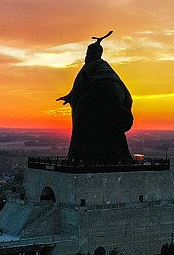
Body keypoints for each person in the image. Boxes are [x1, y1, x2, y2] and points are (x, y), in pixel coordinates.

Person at [57, 32, 134, 163]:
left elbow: (110, 79)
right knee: (82, 132)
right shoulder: (88, 66)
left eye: (91, 52)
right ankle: (80, 156)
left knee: (95, 132)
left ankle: (91, 157)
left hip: (94, 109)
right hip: (83, 108)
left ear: (98, 54)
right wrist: (70, 96)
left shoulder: (100, 64)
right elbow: (80, 85)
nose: (88, 55)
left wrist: (94, 80)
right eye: (88, 52)